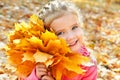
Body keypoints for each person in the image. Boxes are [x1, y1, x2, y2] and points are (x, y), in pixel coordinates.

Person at [23, 0, 97, 80]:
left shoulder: (88, 63)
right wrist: (35, 76)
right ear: (47, 38)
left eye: (74, 27)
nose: (71, 37)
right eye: (60, 33)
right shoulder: (40, 59)